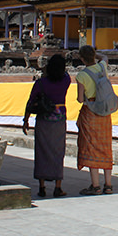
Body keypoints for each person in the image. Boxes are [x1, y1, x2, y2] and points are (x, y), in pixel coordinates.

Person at [23, 54, 71, 198]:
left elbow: (30, 102)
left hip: (43, 119)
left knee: (41, 151)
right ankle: (58, 186)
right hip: (59, 119)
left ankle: (42, 186)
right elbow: (67, 73)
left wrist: (25, 120)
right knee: (58, 152)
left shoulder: (41, 83)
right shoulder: (65, 81)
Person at [76, 45, 114, 195]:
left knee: (92, 146)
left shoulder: (81, 75)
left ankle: (96, 185)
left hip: (91, 111)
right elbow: (105, 58)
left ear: (81, 58)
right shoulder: (102, 67)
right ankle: (109, 184)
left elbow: (80, 99)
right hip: (104, 112)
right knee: (105, 145)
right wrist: (95, 55)